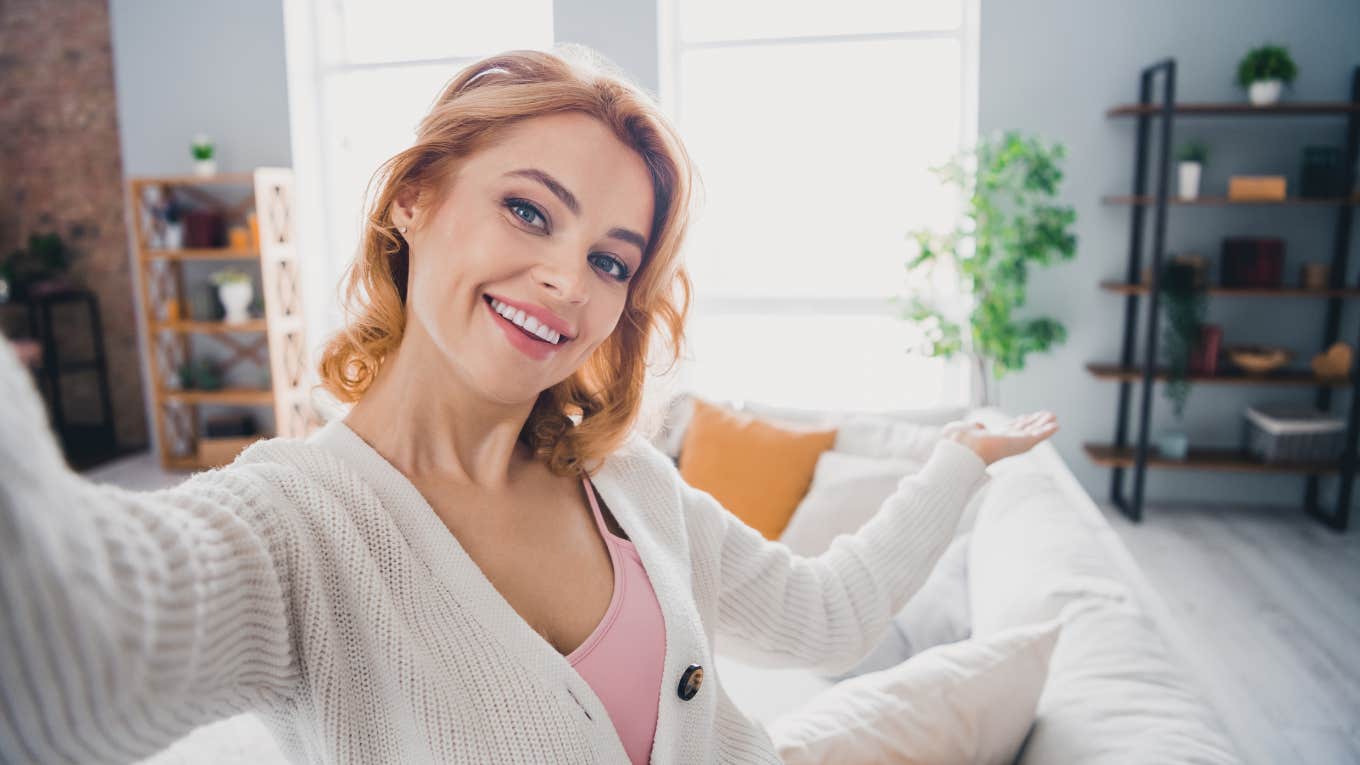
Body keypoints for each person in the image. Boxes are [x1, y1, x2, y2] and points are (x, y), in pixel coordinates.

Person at [0, 45, 1057, 764]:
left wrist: (957, 458)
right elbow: (68, 669)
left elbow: (824, 616)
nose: (566, 281)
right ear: (415, 200)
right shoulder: (293, 530)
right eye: (525, 210)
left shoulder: (627, 481)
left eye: (608, 258)